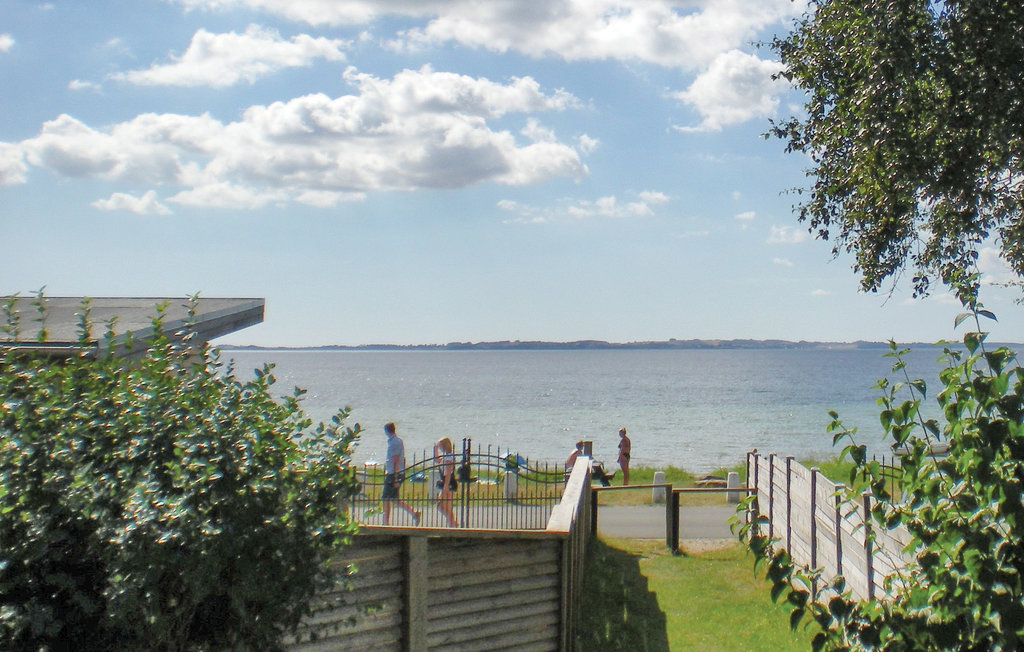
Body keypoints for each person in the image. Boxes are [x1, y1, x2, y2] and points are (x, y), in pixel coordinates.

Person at [382, 422, 420, 525]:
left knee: (385, 498)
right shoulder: (395, 441)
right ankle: (414, 513)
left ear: (386, 431)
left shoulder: (394, 442)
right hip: (396, 472)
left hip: (394, 474)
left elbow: (395, 460)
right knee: (394, 499)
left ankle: (385, 522)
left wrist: (395, 478)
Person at [433, 437, 458, 527]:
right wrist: (435, 450)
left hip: (448, 482)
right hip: (446, 482)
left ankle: (451, 522)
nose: (439, 448)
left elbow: (448, 471)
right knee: (446, 506)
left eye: (440, 446)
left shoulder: (449, 457)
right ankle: (452, 522)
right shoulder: (446, 456)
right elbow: (437, 460)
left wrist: (446, 486)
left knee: (441, 506)